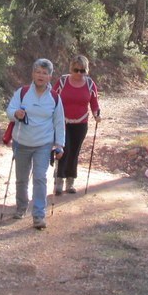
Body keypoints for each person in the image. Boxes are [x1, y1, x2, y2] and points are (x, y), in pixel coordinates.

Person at [6, 58, 66, 230]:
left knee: (40, 178)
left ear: (50, 77)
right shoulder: (22, 92)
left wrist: (59, 144)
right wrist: (15, 113)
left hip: (43, 144)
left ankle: (39, 215)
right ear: (32, 74)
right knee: (22, 179)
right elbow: (9, 111)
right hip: (21, 142)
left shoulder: (55, 98)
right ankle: (21, 207)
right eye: (38, 72)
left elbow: (59, 123)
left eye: (45, 73)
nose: (41, 76)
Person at [53, 55, 102, 195]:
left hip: (81, 123)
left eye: (82, 71)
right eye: (76, 70)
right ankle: (59, 180)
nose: (79, 74)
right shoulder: (62, 81)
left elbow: (94, 102)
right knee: (64, 150)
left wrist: (96, 114)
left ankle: (70, 181)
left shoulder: (90, 84)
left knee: (74, 152)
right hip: (63, 122)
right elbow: (52, 98)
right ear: (71, 68)